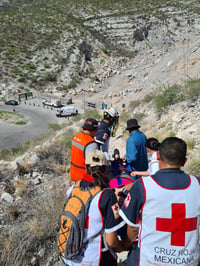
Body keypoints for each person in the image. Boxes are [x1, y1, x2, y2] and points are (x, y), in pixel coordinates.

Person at [119, 137, 200, 266]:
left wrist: (125, 244)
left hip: (150, 261)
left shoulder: (142, 186)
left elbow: (132, 228)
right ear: (184, 162)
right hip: (189, 261)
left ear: (158, 158)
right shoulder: (197, 184)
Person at [64, 150, 128, 266]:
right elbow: (111, 241)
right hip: (94, 258)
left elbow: (88, 195)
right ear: (105, 170)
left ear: (86, 167)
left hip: (70, 255)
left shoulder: (74, 187)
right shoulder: (107, 196)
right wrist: (121, 247)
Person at [70, 118, 99, 182]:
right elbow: (93, 165)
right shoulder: (91, 144)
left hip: (73, 173)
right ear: (94, 130)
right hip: (83, 178)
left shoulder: (76, 137)